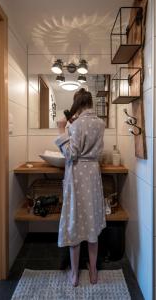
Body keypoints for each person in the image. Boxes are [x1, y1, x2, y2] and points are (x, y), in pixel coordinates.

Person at [55, 88, 106, 287]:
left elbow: (71, 154)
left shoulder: (76, 126)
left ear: (78, 104)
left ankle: (75, 275)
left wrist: (61, 132)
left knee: (75, 220)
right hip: (93, 173)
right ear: (91, 103)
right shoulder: (100, 123)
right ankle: (93, 272)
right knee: (92, 220)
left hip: (77, 174)